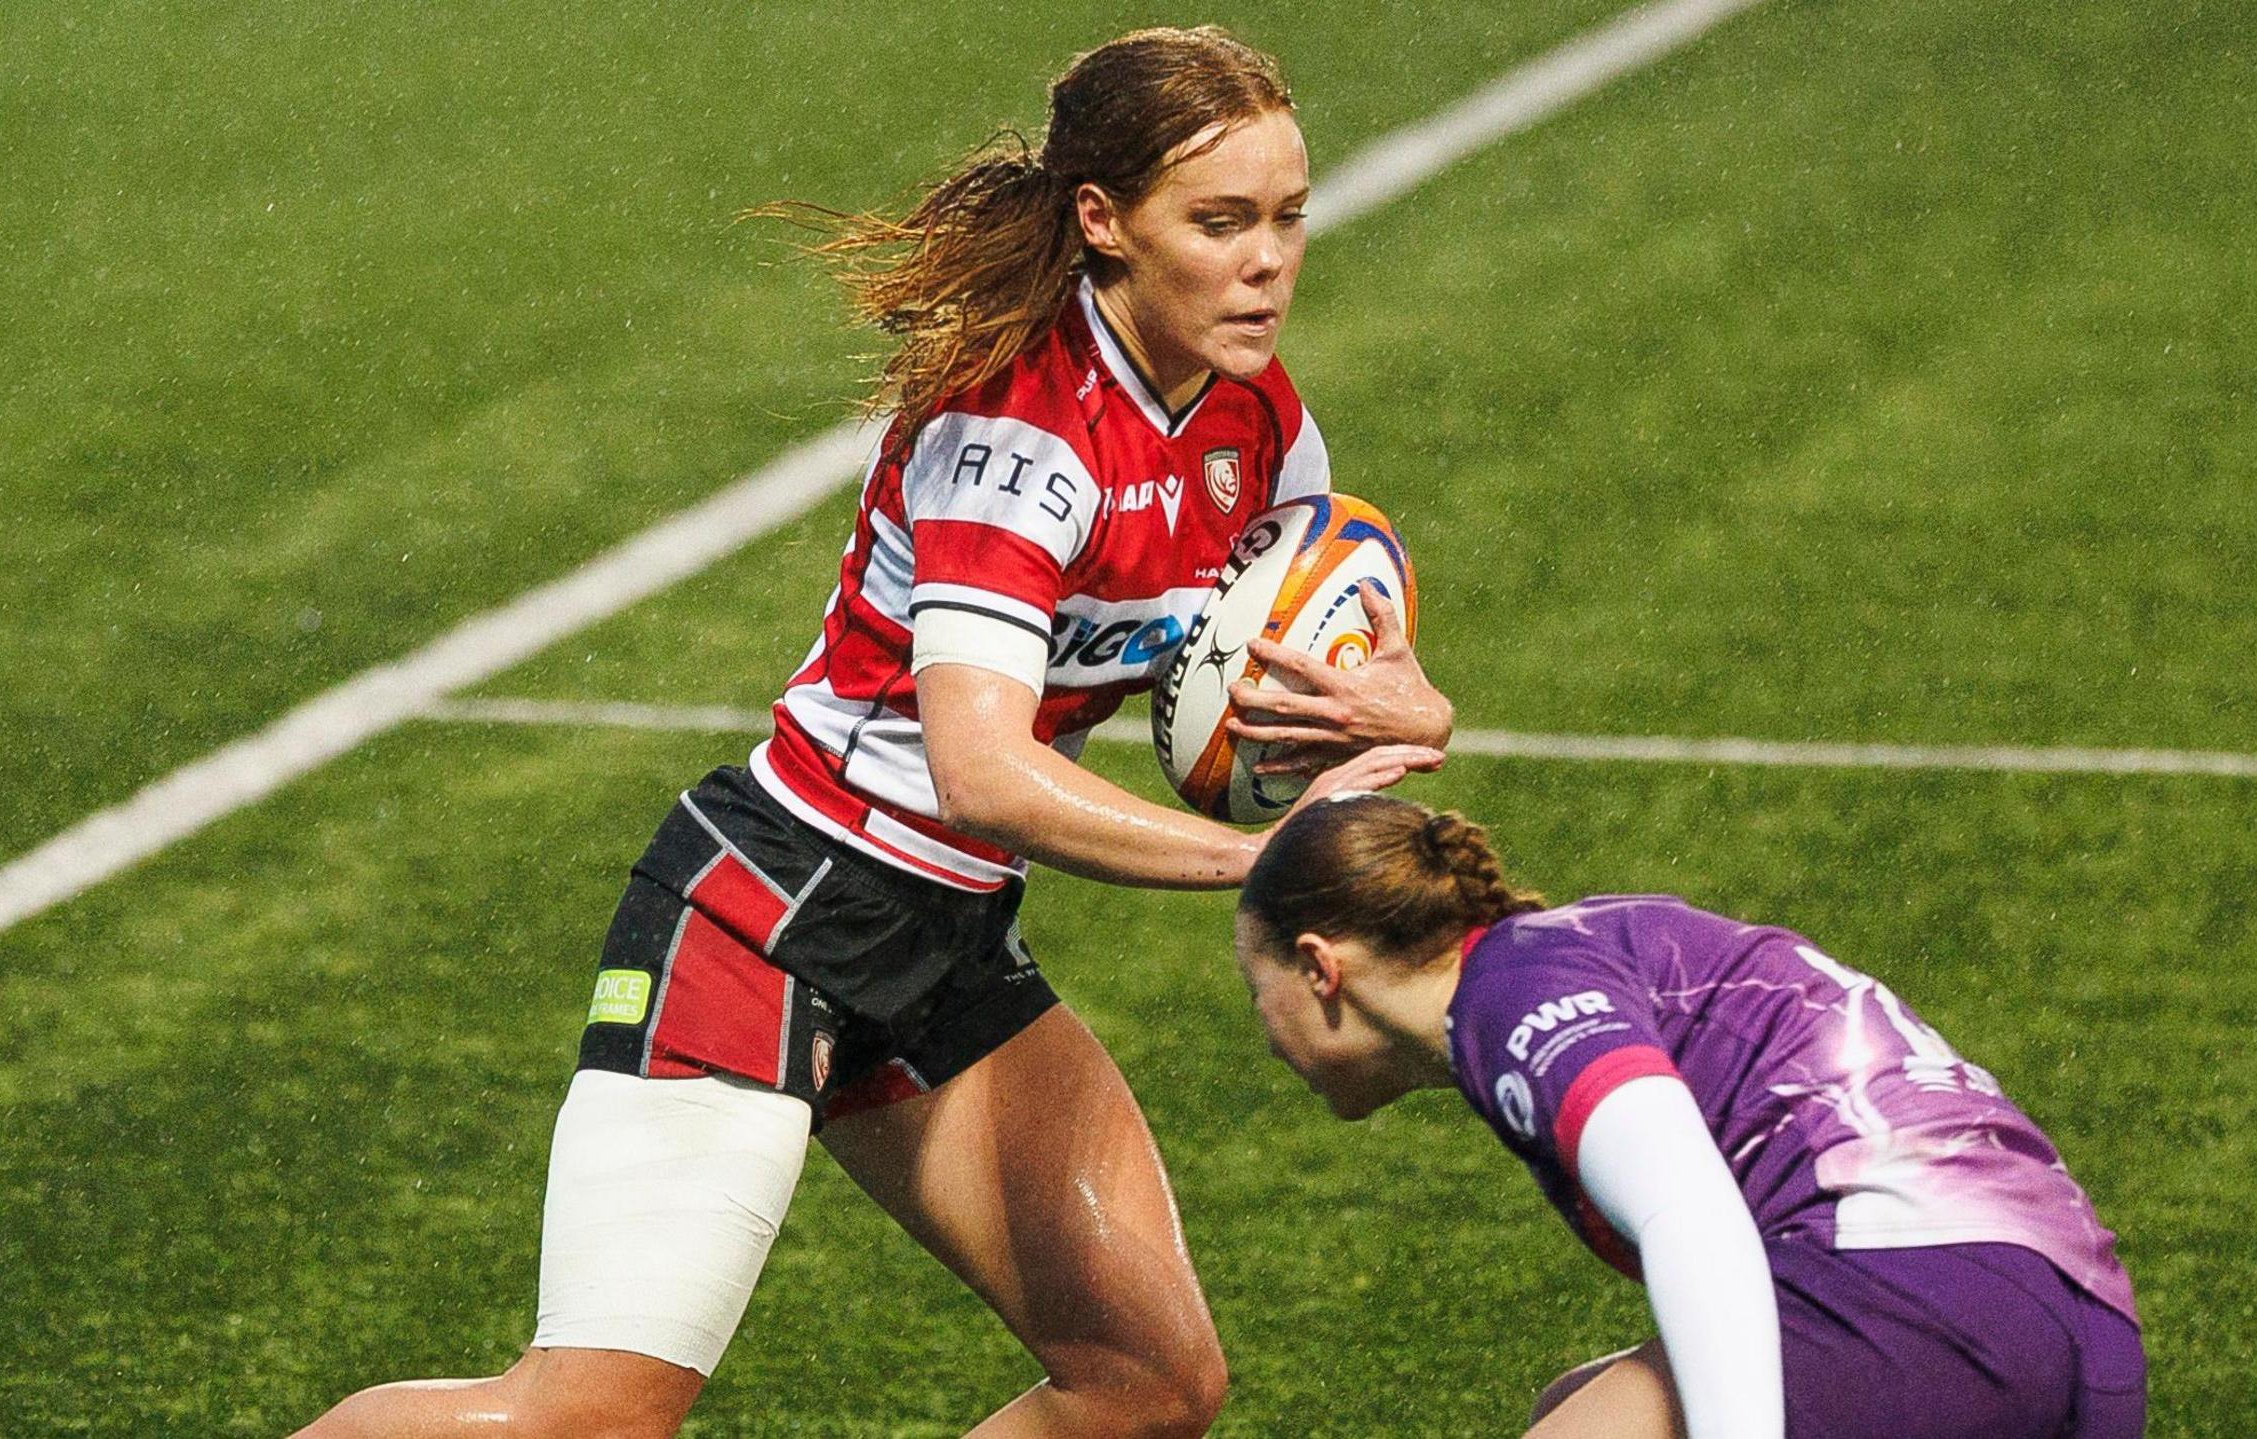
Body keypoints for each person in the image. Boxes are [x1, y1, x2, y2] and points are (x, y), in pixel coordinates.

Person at [292, 25, 1453, 1439]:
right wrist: (1256, 860)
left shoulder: (1257, 422)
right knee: (583, 1417)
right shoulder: (1017, 428)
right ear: (1103, 221)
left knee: (1148, 1385)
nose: (1269, 259)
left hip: (948, 943)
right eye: (1219, 222)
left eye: (1287, 216)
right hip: (770, 917)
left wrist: (1408, 705)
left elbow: (1302, 667)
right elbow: (980, 766)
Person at [1233, 794, 2146, 1439]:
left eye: (1254, 986)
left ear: (1321, 967)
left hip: (1923, 1303)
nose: (1262, 1032)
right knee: (1578, 1402)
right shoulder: (1564, 952)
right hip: (2078, 1327)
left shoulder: (1510, 1000)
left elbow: (1691, 1214)